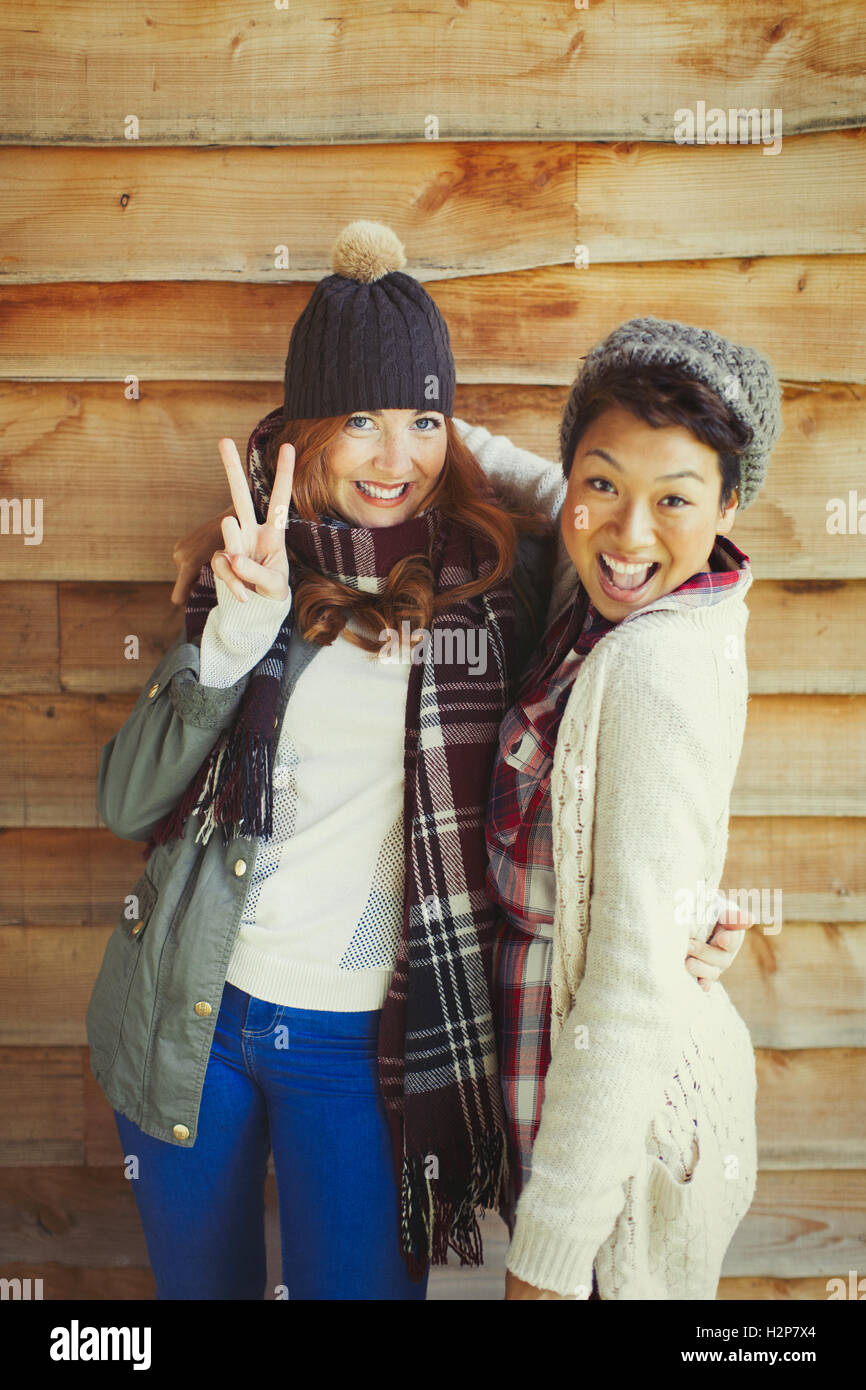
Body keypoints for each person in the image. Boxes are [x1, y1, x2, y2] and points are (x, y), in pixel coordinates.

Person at [93, 220, 748, 1301]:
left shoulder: (509, 581)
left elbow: (608, 518)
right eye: (358, 420)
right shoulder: (256, 566)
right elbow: (127, 800)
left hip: (365, 1052)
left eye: (423, 420)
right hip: (191, 1015)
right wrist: (233, 631)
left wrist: (683, 904)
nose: (396, 459)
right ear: (307, 431)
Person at [486, 317, 782, 1300]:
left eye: (673, 500)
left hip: (623, 1156)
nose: (627, 533)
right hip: (573, 1113)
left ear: (728, 504)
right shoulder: (621, 584)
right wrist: (438, 430)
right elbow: (555, 492)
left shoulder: (655, 665)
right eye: (600, 482)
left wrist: (550, 1258)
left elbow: (627, 986)